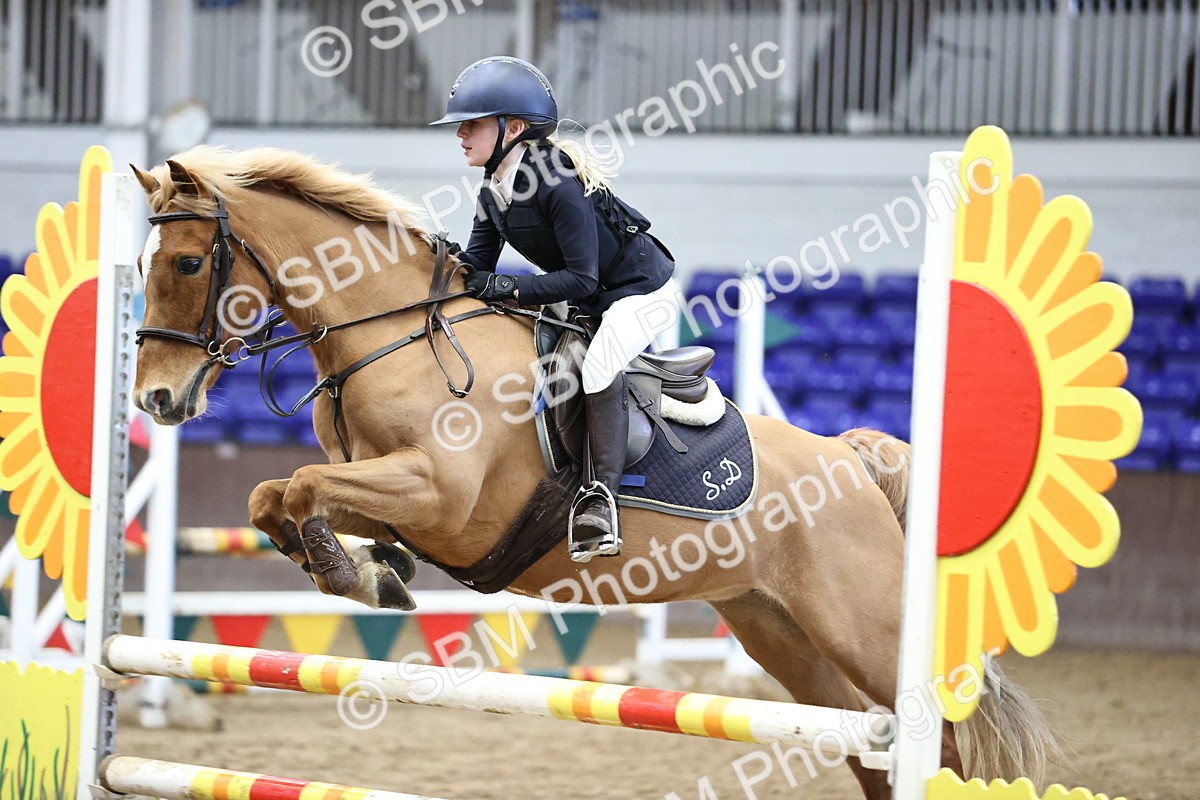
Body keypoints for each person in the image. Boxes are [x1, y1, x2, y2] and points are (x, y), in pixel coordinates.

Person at [430, 56, 680, 563]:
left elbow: (581, 277)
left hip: (641, 295)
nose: (460, 134)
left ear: (512, 128)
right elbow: (477, 268)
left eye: (472, 124)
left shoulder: (557, 182)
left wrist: (503, 286)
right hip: (592, 299)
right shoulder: (494, 189)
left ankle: (600, 501)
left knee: (598, 364)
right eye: (461, 125)